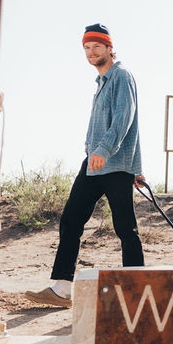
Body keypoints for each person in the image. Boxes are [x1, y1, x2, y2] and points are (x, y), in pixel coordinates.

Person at [26, 23, 144, 308]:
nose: (91, 53)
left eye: (96, 47)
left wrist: (109, 152)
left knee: (125, 228)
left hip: (114, 163)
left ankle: (137, 288)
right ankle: (63, 288)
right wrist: (94, 150)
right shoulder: (101, 82)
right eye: (87, 48)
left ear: (109, 48)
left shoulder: (121, 76)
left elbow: (124, 119)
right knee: (71, 219)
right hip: (93, 164)